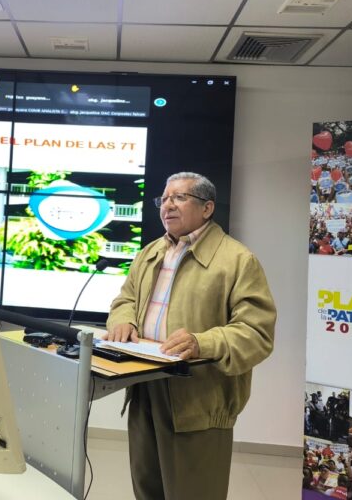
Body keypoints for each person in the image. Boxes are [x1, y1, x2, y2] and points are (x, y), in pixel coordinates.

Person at [105, 172, 277, 500]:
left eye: (179, 197)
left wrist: (201, 343)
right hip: (143, 386)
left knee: (195, 492)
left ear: (207, 208)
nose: (167, 205)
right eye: (164, 199)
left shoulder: (238, 261)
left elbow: (257, 333)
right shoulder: (150, 252)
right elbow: (125, 299)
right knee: (147, 489)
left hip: (198, 397)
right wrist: (123, 319)